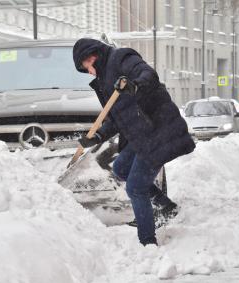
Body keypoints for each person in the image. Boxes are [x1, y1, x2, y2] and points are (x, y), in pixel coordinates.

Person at [72, 38, 195, 246]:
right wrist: (98, 136)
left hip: (158, 128)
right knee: (121, 168)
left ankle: (147, 242)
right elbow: (116, 117)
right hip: (140, 134)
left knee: (136, 188)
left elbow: (148, 75)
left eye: (87, 67)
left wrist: (135, 86)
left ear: (92, 56)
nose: (89, 72)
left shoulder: (121, 58)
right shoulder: (104, 80)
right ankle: (165, 206)